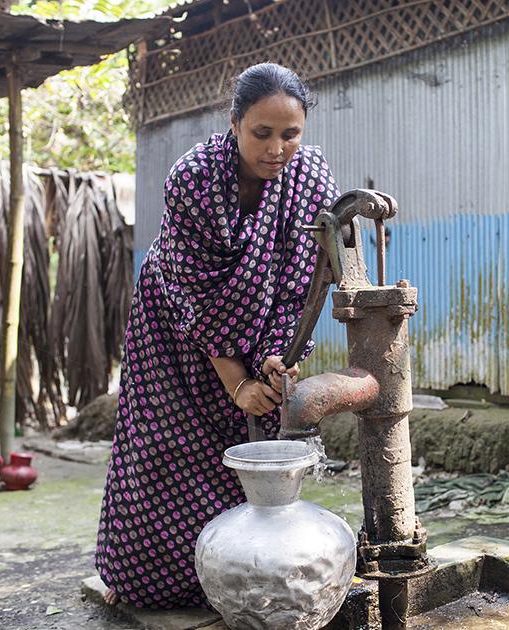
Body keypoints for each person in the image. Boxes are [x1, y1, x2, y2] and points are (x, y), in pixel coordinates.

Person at [95, 63, 341, 608]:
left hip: (256, 327)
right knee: (163, 446)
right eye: (263, 133)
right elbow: (195, 294)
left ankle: (228, 578)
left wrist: (277, 357)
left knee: (240, 448)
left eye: (291, 134)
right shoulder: (193, 179)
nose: (277, 148)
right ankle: (140, 577)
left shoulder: (311, 181)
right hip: (172, 323)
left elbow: (298, 281)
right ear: (234, 123)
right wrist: (235, 382)